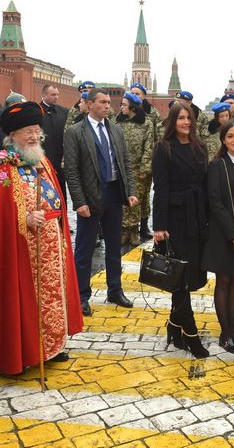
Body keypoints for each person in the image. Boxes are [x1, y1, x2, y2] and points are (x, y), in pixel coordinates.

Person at [0, 101, 83, 374]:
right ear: (12, 135)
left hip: (51, 241)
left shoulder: (42, 160)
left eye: (37, 131)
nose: (35, 137)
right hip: (20, 247)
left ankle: (52, 346)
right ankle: (23, 352)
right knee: (23, 300)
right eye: (28, 132)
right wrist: (23, 218)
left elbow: (56, 197)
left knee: (53, 297)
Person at [65, 88, 138, 316]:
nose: (108, 106)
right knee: (85, 248)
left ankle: (114, 290)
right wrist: (79, 202)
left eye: (109, 102)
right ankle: (81, 296)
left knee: (114, 246)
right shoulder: (76, 132)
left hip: (114, 194)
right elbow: (72, 171)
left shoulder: (115, 129)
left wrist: (130, 191)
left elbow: (125, 162)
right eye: (103, 102)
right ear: (89, 104)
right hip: (90, 197)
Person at [152, 103, 210, 358]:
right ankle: (191, 334)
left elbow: (205, 183)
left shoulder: (200, 146)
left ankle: (174, 326)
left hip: (197, 217)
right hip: (175, 219)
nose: (186, 122)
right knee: (181, 277)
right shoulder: (163, 148)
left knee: (189, 275)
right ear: (172, 122)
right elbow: (160, 188)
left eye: (189, 118)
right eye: (181, 118)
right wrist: (159, 226)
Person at [203, 120, 234, 353]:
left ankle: (233, 331)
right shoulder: (217, 165)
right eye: (230, 136)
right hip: (224, 235)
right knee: (223, 281)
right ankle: (225, 333)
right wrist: (233, 234)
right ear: (223, 139)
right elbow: (215, 202)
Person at [117, 92, 153, 249]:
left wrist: (145, 167)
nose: (121, 107)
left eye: (124, 105)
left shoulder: (146, 123)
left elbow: (149, 147)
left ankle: (134, 231)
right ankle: (124, 231)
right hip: (121, 168)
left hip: (137, 169)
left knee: (135, 201)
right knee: (122, 200)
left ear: (132, 107)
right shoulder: (118, 122)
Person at [129, 83, 161, 240]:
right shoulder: (127, 112)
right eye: (132, 93)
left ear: (144, 95)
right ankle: (130, 228)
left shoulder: (152, 113)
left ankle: (144, 225)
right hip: (131, 161)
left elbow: (158, 133)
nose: (135, 96)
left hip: (148, 159)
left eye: (138, 93)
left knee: (144, 196)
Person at [40, 84, 70, 193]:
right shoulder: (36, 112)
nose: (56, 97)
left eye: (57, 94)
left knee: (61, 193)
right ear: (44, 95)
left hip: (59, 160)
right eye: (53, 95)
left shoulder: (64, 112)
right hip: (43, 160)